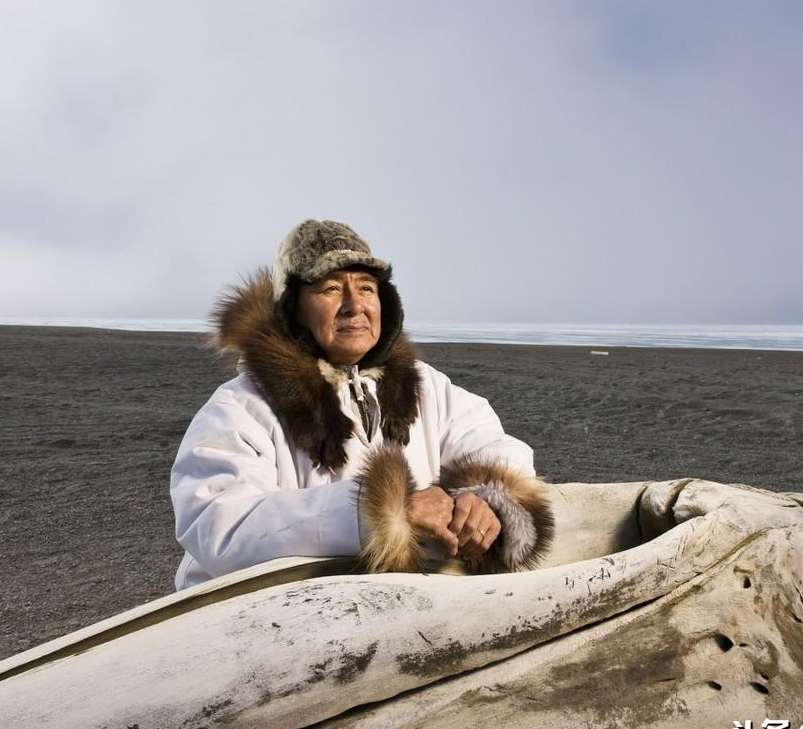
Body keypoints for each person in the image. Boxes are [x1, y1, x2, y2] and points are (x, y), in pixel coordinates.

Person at [170, 219, 553, 590]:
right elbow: (217, 524)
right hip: (264, 620)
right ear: (292, 309)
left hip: (391, 611)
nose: (355, 305)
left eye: (367, 288)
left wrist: (481, 499)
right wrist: (379, 511)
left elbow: (494, 446)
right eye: (331, 288)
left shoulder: (428, 388)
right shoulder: (240, 407)